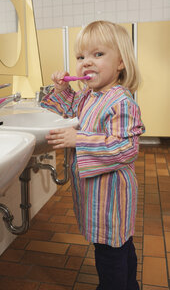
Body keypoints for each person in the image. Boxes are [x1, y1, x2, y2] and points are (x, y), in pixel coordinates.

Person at [41, 20, 145, 290]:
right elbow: (69, 109)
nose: (86, 62)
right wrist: (64, 89)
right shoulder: (89, 95)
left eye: (97, 54)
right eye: (81, 56)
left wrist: (79, 139)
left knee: (110, 256)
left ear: (121, 62)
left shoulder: (121, 101)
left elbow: (126, 148)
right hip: (98, 197)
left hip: (112, 199)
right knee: (119, 247)